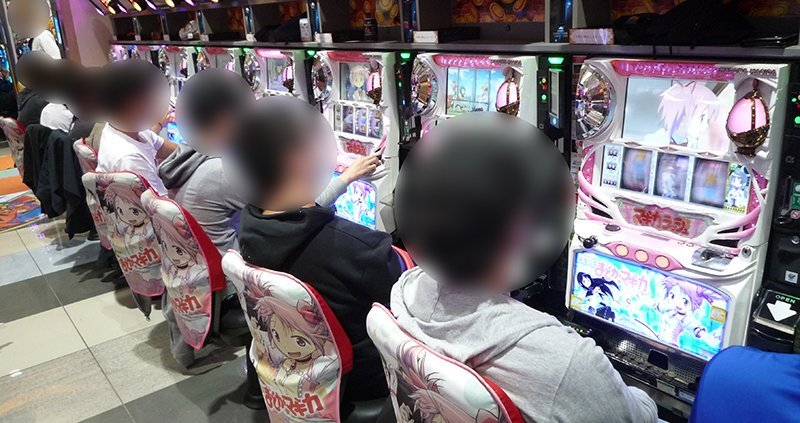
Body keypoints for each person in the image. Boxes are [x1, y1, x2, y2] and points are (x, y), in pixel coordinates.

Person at [391, 112, 658, 423]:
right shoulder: (566, 361)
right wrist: (643, 394)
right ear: (519, 228)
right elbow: (634, 417)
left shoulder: (405, 289)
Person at [231, 96, 401, 406]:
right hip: (362, 381)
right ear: (298, 157)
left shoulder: (249, 226)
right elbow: (406, 308)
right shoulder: (360, 249)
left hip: (298, 368)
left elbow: (300, 219)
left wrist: (345, 178)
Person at [159, 69, 381, 253]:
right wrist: (348, 177)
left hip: (205, 269)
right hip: (235, 275)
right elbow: (295, 214)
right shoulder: (222, 170)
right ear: (224, 118)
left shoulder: (196, 152)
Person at [96, 59, 175, 196]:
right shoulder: (130, 159)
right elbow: (158, 205)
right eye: (154, 97)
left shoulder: (124, 128)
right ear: (134, 104)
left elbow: (173, 150)